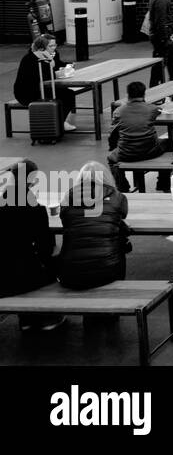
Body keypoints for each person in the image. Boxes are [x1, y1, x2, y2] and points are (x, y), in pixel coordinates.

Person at [0, 161, 62, 331]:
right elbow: (46, 248)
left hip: (2, 278)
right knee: (50, 264)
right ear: (32, 179)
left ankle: (26, 320)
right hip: (24, 277)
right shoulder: (35, 209)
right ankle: (47, 317)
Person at [57, 163, 130, 290]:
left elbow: (66, 220)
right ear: (107, 177)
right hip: (108, 271)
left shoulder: (68, 196)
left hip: (70, 274)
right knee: (120, 238)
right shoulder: (118, 197)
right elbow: (122, 215)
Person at [107, 80, 168, 192]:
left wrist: (113, 148)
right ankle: (163, 182)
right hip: (150, 151)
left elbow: (112, 135)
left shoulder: (118, 112)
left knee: (111, 158)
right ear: (144, 94)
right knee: (168, 142)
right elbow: (159, 110)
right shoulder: (152, 109)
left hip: (126, 153)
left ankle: (122, 186)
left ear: (127, 95)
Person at [13, 34, 76, 132]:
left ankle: (59, 122)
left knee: (67, 93)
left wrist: (68, 65)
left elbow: (58, 64)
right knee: (67, 95)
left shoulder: (51, 55)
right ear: (41, 48)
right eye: (51, 46)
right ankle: (58, 123)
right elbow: (41, 76)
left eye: (55, 45)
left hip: (43, 88)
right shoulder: (31, 58)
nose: (54, 48)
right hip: (27, 92)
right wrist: (56, 73)